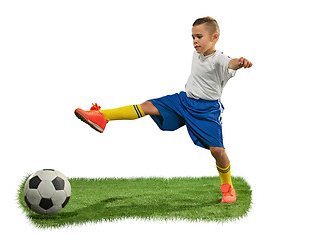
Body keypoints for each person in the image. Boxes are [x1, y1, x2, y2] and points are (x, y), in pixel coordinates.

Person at [74, 16, 253, 203]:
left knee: (217, 151)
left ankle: (228, 188)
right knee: (147, 106)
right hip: (183, 101)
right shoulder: (197, 54)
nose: (195, 41)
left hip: (206, 110)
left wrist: (240, 63)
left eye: (199, 36)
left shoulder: (220, 59)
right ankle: (102, 117)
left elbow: (231, 64)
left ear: (214, 37)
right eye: (192, 37)